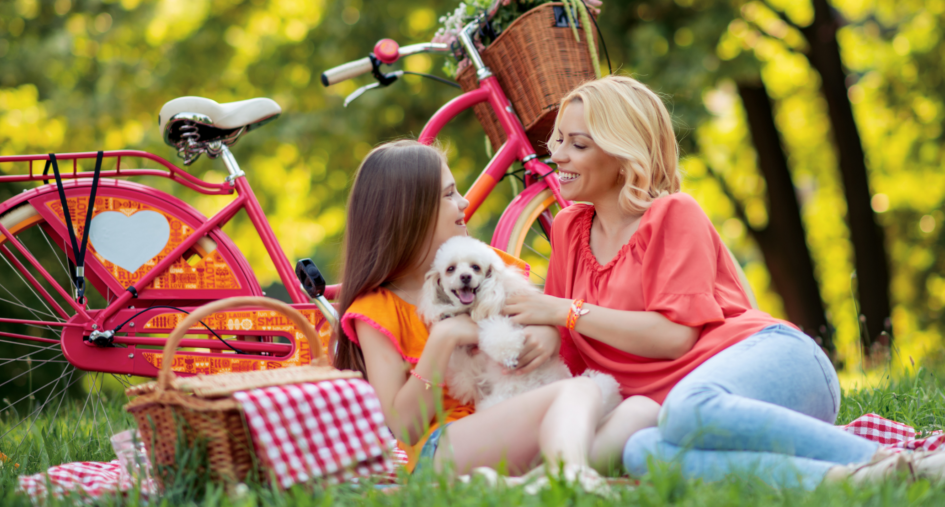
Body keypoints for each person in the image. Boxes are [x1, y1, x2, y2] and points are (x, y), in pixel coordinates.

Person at [503, 75, 945, 488]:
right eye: (557, 140)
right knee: (643, 454)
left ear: (623, 155)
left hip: (774, 362)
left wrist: (565, 312)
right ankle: (854, 482)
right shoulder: (568, 228)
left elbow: (674, 336)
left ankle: (905, 464)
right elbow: (567, 350)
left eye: (576, 144)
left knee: (688, 407)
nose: (556, 155)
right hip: (683, 411)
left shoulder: (673, 214)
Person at [332, 140, 658, 481]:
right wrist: (443, 339)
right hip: (445, 448)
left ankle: (540, 482)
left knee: (643, 409)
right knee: (579, 391)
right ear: (409, 212)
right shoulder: (376, 310)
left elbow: (538, 315)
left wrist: (545, 334)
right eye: (448, 195)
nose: (464, 201)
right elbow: (405, 428)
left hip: (519, 416)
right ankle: (571, 477)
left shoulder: (485, 265)